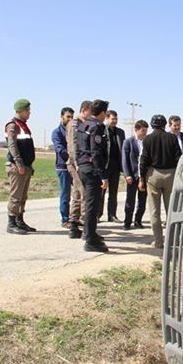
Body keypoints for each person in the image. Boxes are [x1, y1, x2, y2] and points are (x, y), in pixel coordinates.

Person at [139, 114, 182, 249]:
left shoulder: (148, 140)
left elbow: (143, 161)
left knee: (154, 210)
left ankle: (158, 241)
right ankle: (173, 241)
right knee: (171, 210)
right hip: (171, 175)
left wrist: (141, 178)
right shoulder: (172, 138)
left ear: (152, 125)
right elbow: (179, 157)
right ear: (165, 125)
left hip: (154, 175)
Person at [76, 99, 110, 252]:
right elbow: (95, 152)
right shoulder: (97, 127)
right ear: (102, 113)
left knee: (91, 203)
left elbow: (78, 148)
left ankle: (90, 232)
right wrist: (103, 175)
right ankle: (90, 239)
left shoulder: (83, 124)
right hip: (92, 170)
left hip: (83, 168)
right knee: (92, 205)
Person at [5, 98, 36, 235]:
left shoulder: (23, 125)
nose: (29, 113)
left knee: (23, 196)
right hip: (17, 166)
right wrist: (19, 163)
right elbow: (12, 146)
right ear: (21, 111)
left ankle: (20, 221)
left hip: (26, 166)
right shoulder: (13, 125)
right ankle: (11, 223)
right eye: (27, 110)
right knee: (16, 196)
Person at [66, 100, 91, 239]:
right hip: (77, 163)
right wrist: (77, 163)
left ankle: (76, 224)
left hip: (81, 162)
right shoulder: (75, 123)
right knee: (81, 193)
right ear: (85, 109)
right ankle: (77, 224)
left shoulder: (83, 123)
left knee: (79, 193)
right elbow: (73, 145)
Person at [99, 109, 125, 223]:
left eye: (116, 119)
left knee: (113, 193)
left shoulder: (120, 132)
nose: (115, 121)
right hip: (104, 166)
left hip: (116, 166)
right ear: (107, 118)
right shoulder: (101, 130)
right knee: (101, 193)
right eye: (112, 119)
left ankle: (112, 215)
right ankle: (97, 215)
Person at [122, 120, 149, 230]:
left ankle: (138, 221)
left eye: (146, 131)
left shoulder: (147, 142)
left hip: (143, 176)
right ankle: (127, 222)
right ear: (136, 130)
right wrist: (127, 174)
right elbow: (125, 160)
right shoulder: (128, 142)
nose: (145, 133)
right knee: (130, 200)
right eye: (143, 130)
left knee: (142, 201)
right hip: (132, 176)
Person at [52, 107, 74, 228]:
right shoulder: (57, 132)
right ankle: (65, 219)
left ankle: (75, 217)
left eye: (71, 117)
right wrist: (72, 156)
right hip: (63, 166)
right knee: (66, 194)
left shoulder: (74, 130)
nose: (70, 119)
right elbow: (60, 149)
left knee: (77, 193)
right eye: (68, 117)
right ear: (62, 117)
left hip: (75, 166)